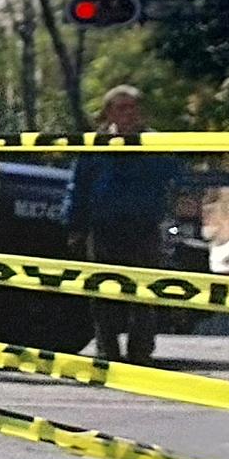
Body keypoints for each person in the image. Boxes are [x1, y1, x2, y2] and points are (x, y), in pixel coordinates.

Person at [72, 85, 181, 364]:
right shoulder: (95, 144)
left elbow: (173, 177)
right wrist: (75, 225)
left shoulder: (155, 144)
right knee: (103, 294)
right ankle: (107, 351)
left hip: (143, 226)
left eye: (133, 107)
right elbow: (79, 186)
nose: (128, 114)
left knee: (143, 293)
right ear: (108, 113)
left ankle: (140, 352)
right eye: (121, 108)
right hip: (104, 228)